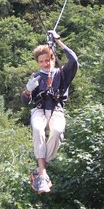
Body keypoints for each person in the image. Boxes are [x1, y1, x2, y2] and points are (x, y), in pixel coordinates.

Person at [21, 30, 78, 193]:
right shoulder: (36, 77)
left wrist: (58, 41)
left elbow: (74, 60)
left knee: (57, 131)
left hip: (56, 109)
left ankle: (39, 170)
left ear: (53, 59)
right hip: (39, 110)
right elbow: (25, 101)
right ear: (38, 63)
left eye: (48, 60)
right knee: (38, 129)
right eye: (41, 62)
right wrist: (27, 91)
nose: (45, 64)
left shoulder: (62, 73)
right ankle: (43, 173)